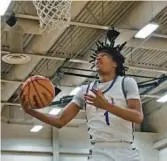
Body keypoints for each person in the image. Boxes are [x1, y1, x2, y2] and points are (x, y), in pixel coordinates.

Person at [20, 28, 143, 161]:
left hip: (126, 149)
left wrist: (107, 106)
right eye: (97, 56)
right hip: (99, 152)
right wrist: (30, 112)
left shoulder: (126, 83)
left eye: (104, 55)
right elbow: (60, 121)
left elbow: (138, 117)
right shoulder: (84, 90)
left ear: (115, 63)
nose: (98, 58)